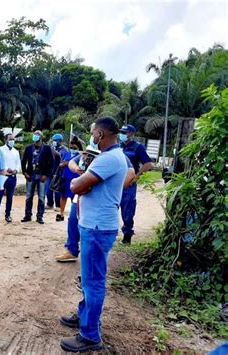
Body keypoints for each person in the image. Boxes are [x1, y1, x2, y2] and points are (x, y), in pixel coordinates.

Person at [59, 117, 128, 353]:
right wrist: (82, 182)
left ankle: (89, 335)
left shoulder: (109, 159)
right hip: (95, 226)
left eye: (92, 133)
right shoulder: (110, 157)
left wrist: (79, 182)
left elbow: (77, 186)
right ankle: (84, 316)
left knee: (93, 282)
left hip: (97, 228)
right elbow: (83, 183)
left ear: (100, 135)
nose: (91, 136)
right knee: (89, 279)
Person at [119, 124, 153, 244]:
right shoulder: (118, 146)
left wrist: (136, 177)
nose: (122, 135)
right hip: (116, 182)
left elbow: (148, 164)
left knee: (127, 209)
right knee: (109, 207)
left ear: (131, 134)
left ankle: (127, 235)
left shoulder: (138, 147)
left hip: (128, 183)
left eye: (125, 132)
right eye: (121, 132)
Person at [20, 130, 54, 224]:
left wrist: (46, 175)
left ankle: (40, 216)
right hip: (30, 175)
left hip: (41, 175)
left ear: (41, 137)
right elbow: (23, 161)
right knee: (28, 196)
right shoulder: (28, 148)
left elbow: (51, 162)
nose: (35, 136)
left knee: (42, 197)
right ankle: (27, 215)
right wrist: (24, 172)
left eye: (37, 135)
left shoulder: (47, 148)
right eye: (34, 135)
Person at [0, 133, 21, 223]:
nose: (12, 141)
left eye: (13, 139)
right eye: (10, 139)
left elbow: (18, 163)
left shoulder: (16, 152)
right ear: (6, 140)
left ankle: (8, 215)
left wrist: (16, 170)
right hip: (3, 176)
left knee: (10, 197)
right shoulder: (1, 150)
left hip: (13, 177)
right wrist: (6, 168)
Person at [55, 139, 82, 222]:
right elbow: (60, 164)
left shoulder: (80, 155)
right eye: (71, 147)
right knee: (63, 196)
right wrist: (63, 164)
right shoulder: (66, 154)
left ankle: (74, 214)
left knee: (74, 197)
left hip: (75, 179)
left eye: (74, 147)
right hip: (65, 178)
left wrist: (68, 163)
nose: (72, 149)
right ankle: (61, 213)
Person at [46, 133, 68, 211]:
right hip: (50, 172)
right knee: (48, 189)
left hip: (59, 173)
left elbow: (66, 161)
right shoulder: (51, 148)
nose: (54, 142)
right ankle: (49, 204)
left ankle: (58, 206)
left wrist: (59, 164)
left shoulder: (64, 150)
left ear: (60, 141)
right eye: (53, 140)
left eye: (55, 140)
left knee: (57, 191)